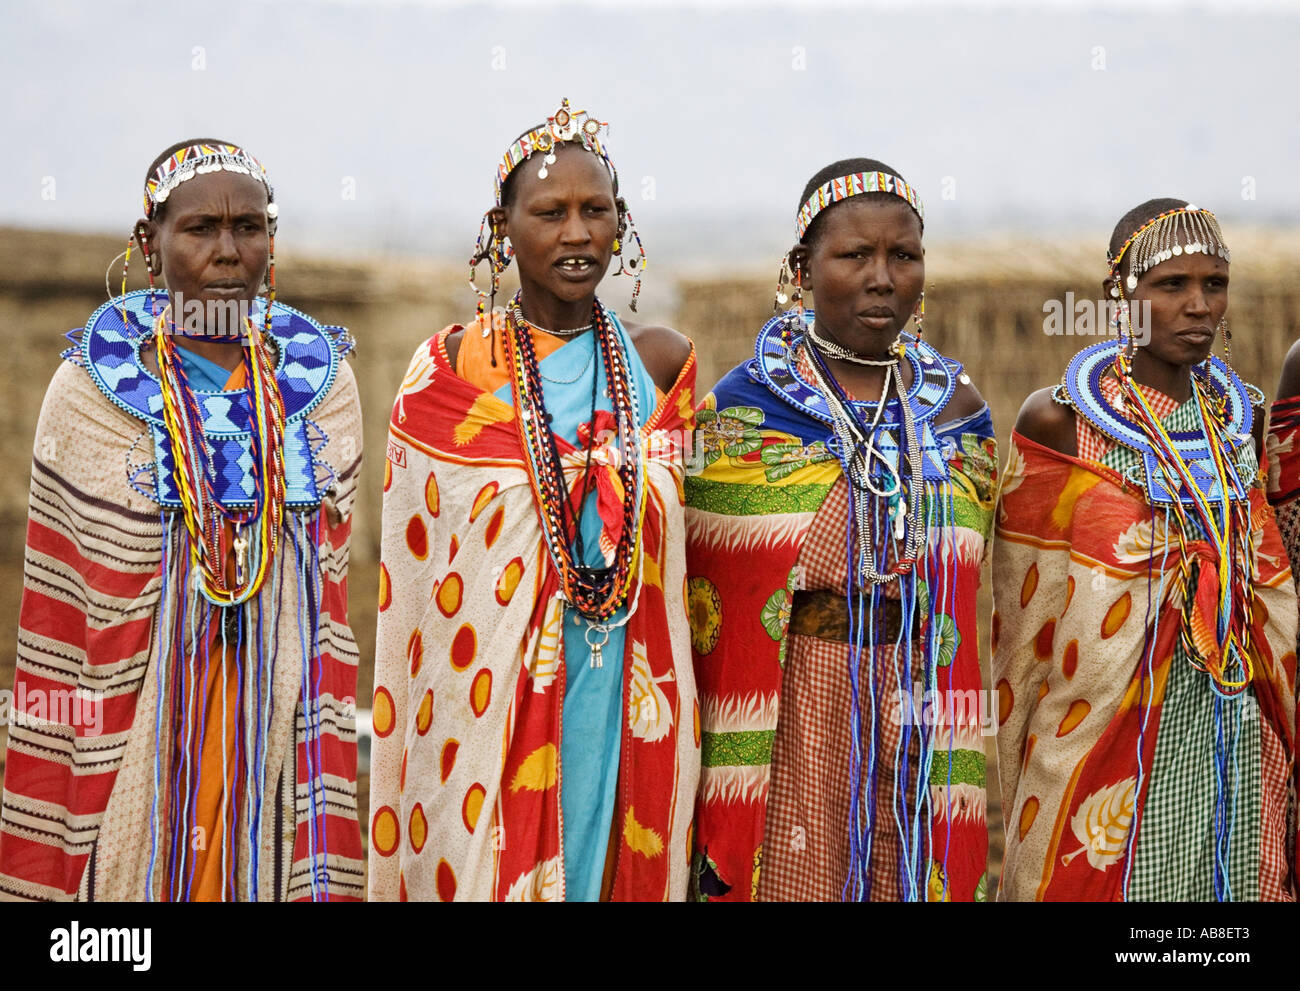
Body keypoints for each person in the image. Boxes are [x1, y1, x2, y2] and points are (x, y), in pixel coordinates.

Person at [0, 140, 364, 901]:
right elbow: (65, 617)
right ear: (149, 243)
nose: (229, 252)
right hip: (133, 739)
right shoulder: (89, 398)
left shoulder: (324, 390)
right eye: (200, 229)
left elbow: (326, 593)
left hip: (277, 738)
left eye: (250, 227)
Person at [370, 100, 698, 902]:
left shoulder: (661, 366)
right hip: (483, 708)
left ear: (623, 225)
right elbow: (411, 593)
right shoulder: (450, 374)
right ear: (503, 227)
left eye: (598, 211)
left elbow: (692, 566)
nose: (578, 233)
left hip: (628, 695)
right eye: (550, 212)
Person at [686, 160, 997, 901]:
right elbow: (697, 586)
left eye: (904, 255)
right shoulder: (743, 410)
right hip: (793, 709)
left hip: (920, 701)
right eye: (855, 255)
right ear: (802, 268)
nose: (883, 277)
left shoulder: (955, 410)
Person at [995, 199, 1297, 901]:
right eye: (1171, 286)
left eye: (1213, 284)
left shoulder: (1238, 419)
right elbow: (1025, 619)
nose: (1198, 305)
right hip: (1101, 721)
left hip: (1231, 719)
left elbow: (1270, 582)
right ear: (1118, 294)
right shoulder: (1060, 423)